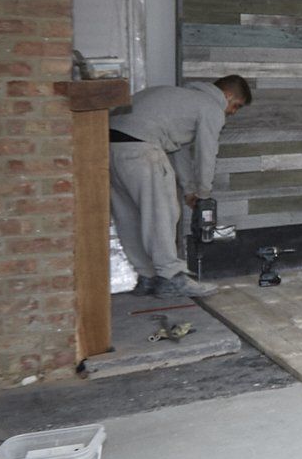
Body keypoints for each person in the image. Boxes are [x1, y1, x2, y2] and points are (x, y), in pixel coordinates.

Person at [107, 74, 252, 298]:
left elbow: (179, 149)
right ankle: (170, 278)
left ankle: (147, 277)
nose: (232, 112)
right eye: (236, 106)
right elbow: (207, 153)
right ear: (227, 95)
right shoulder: (210, 107)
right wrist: (204, 194)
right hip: (141, 148)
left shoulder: (179, 98)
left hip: (108, 147)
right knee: (162, 213)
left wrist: (189, 189)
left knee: (128, 216)